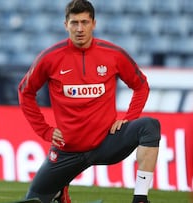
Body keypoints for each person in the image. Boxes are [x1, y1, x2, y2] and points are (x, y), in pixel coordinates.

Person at [17, 0, 161, 203]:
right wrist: (45, 130)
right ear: (65, 24)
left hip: (106, 142)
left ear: (94, 23)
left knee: (149, 126)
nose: (79, 29)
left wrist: (129, 118)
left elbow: (141, 86)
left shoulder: (114, 54)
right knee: (35, 200)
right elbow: (25, 92)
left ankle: (140, 198)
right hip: (68, 149)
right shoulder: (50, 58)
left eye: (84, 22)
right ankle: (59, 191)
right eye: (74, 23)